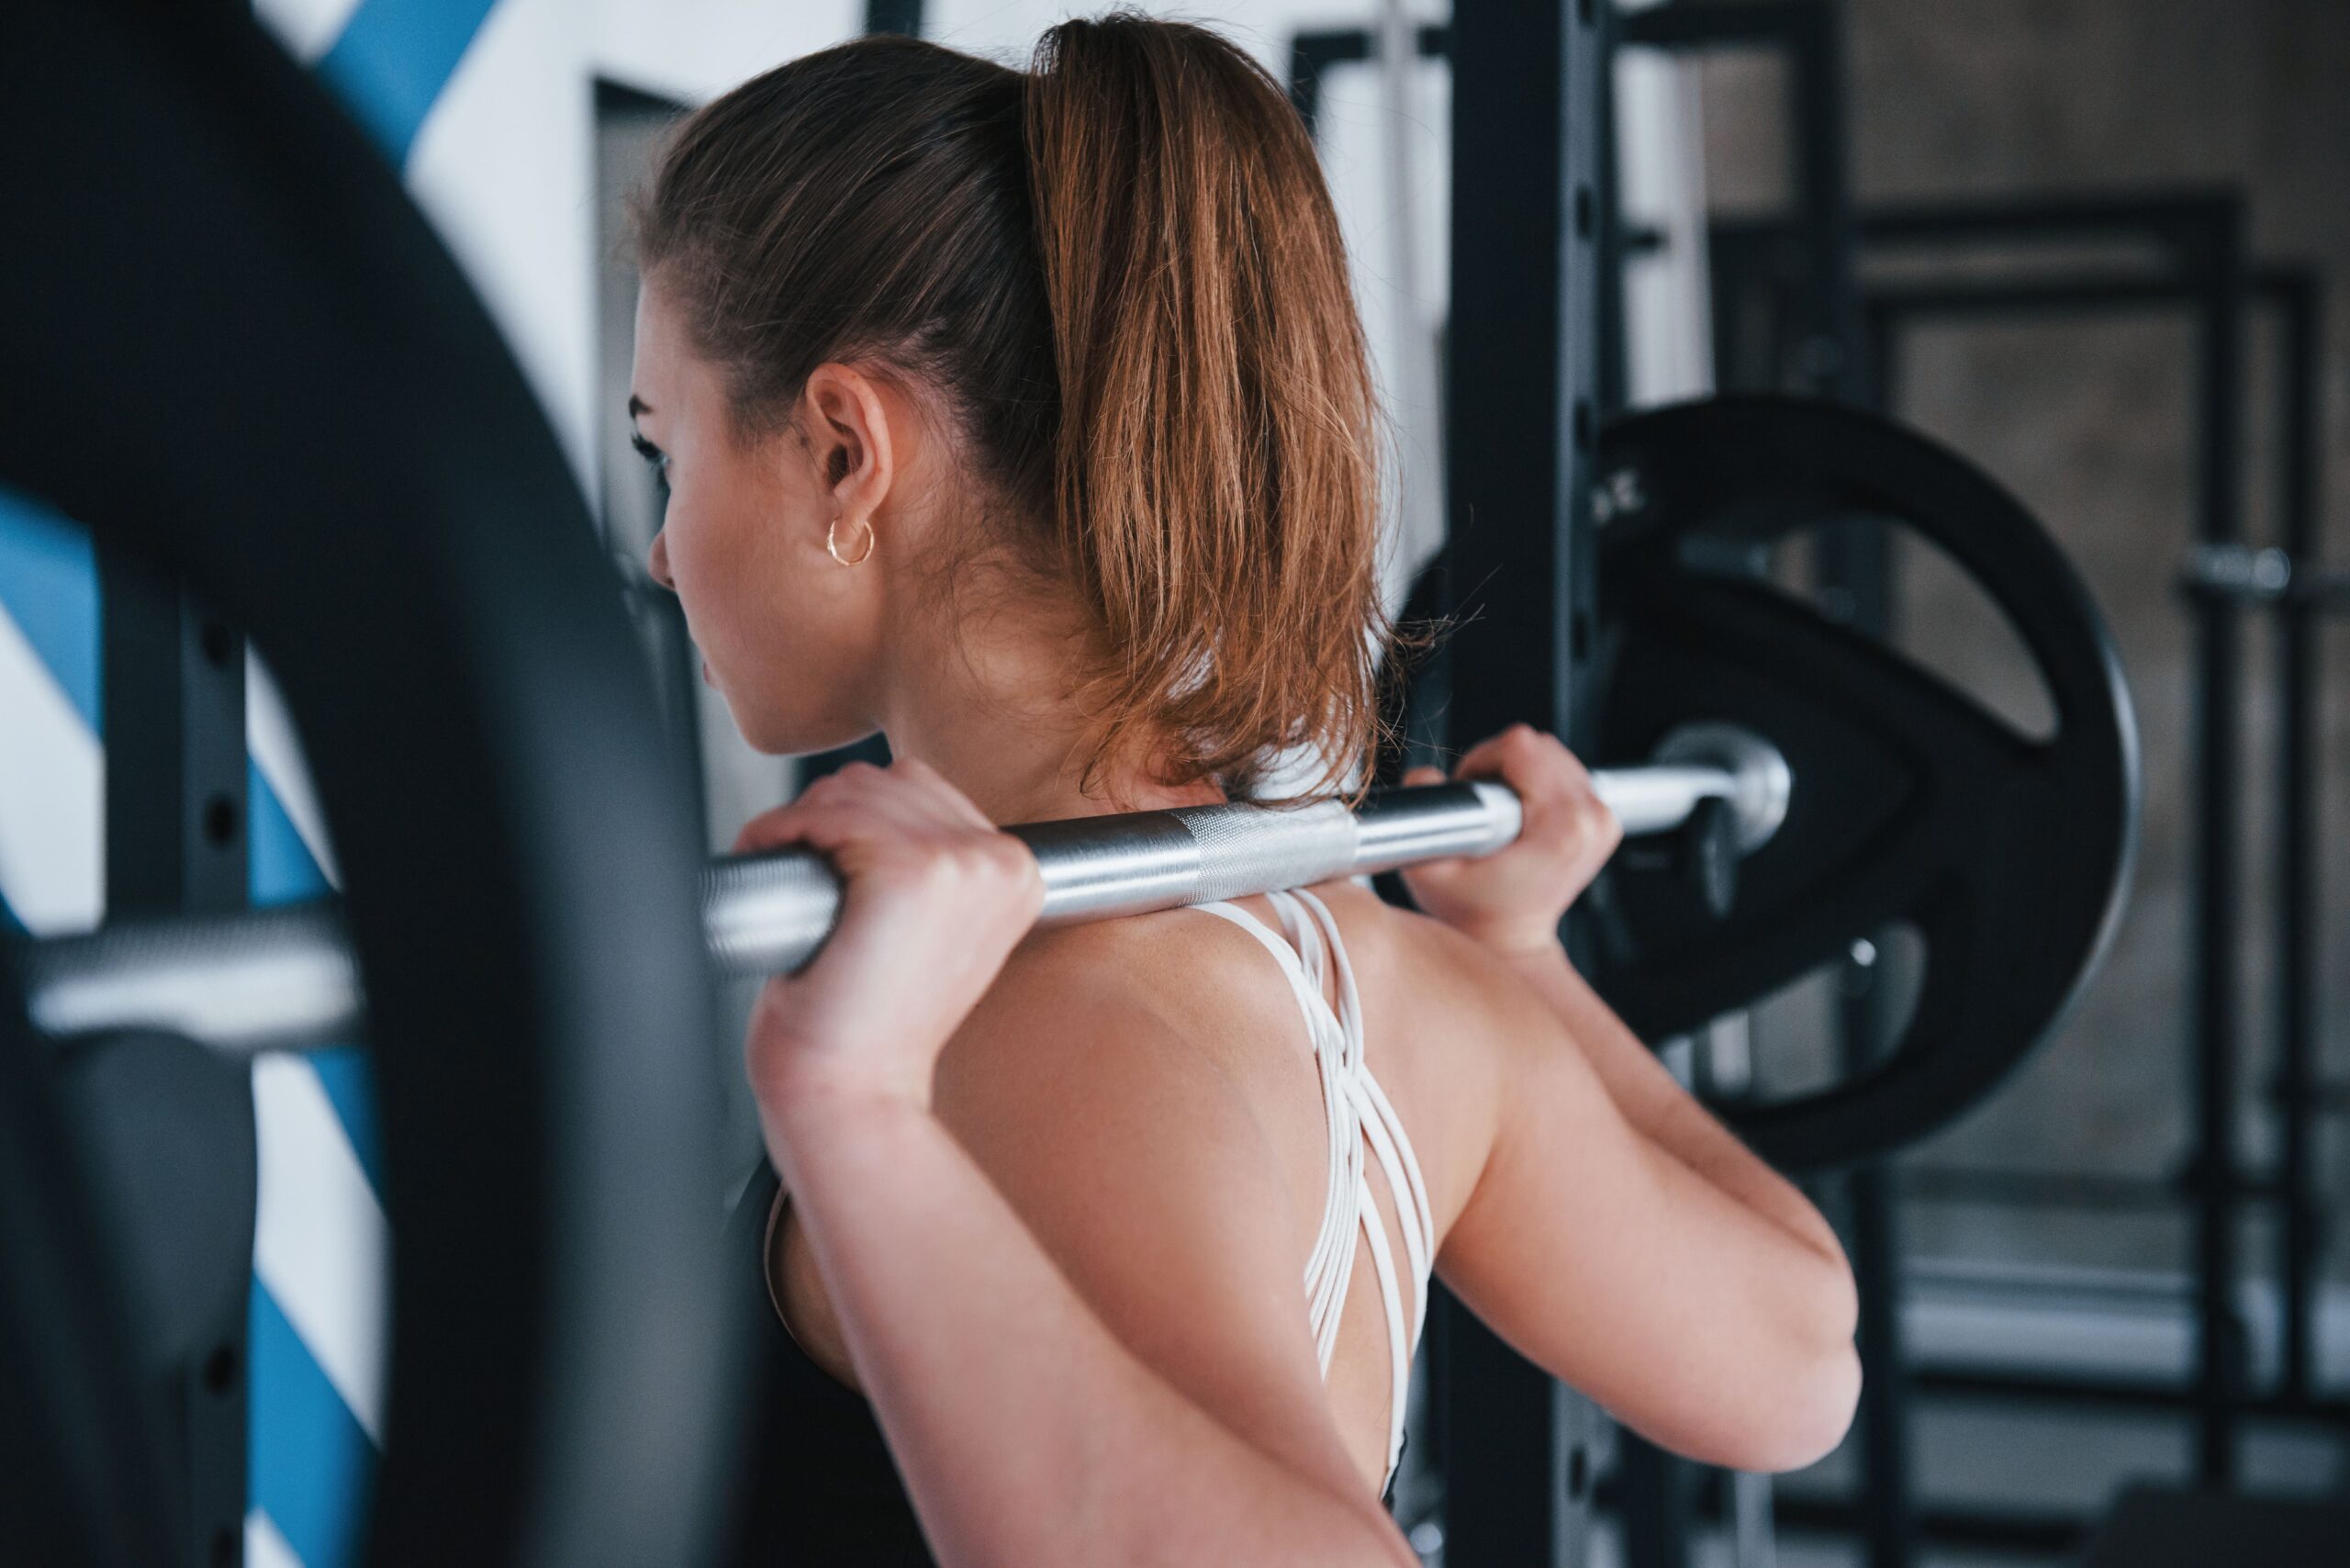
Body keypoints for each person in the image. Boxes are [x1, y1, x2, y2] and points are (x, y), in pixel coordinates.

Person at [624, 15, 1858, 1565]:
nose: (663, 549)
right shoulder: (1388, 964)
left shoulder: (1040, 1032)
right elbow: (1800, 1360)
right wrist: (1529, 954)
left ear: (844, 454)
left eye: (666, 450)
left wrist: (856, 1109)